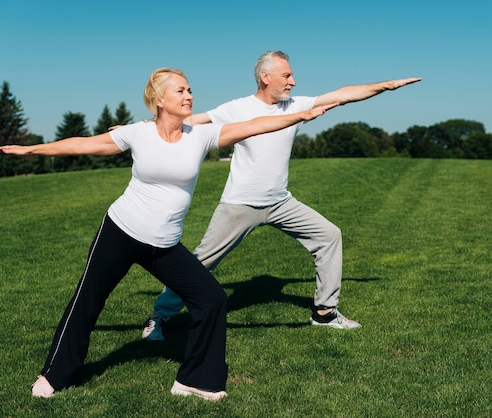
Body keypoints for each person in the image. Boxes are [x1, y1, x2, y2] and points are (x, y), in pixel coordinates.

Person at [0, 67, 337, 401]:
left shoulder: (200, 135)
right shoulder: (138, 133)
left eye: (190, 90)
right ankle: (54, 375)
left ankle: (195, 381)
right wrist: (31, 150)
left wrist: (303, 115)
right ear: (160, 99)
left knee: (212, 299)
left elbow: (254, 125)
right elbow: (84, 145)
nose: (189, 95)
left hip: (164, 245)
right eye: (181, 91)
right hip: (121, 231)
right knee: (88, 301)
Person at [142, 51, 422, 341]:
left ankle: (325, 313)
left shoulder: (295, 106)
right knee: (200, 264)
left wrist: (386, 85)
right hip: (240, 204)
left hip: (280, 202)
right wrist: (136, 130)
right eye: (286, 76)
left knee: (329, 236)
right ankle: (158, 317)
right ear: (266, 77)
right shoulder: (238, 108)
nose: (293, 82)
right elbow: (188, 121)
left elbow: (344, 94)